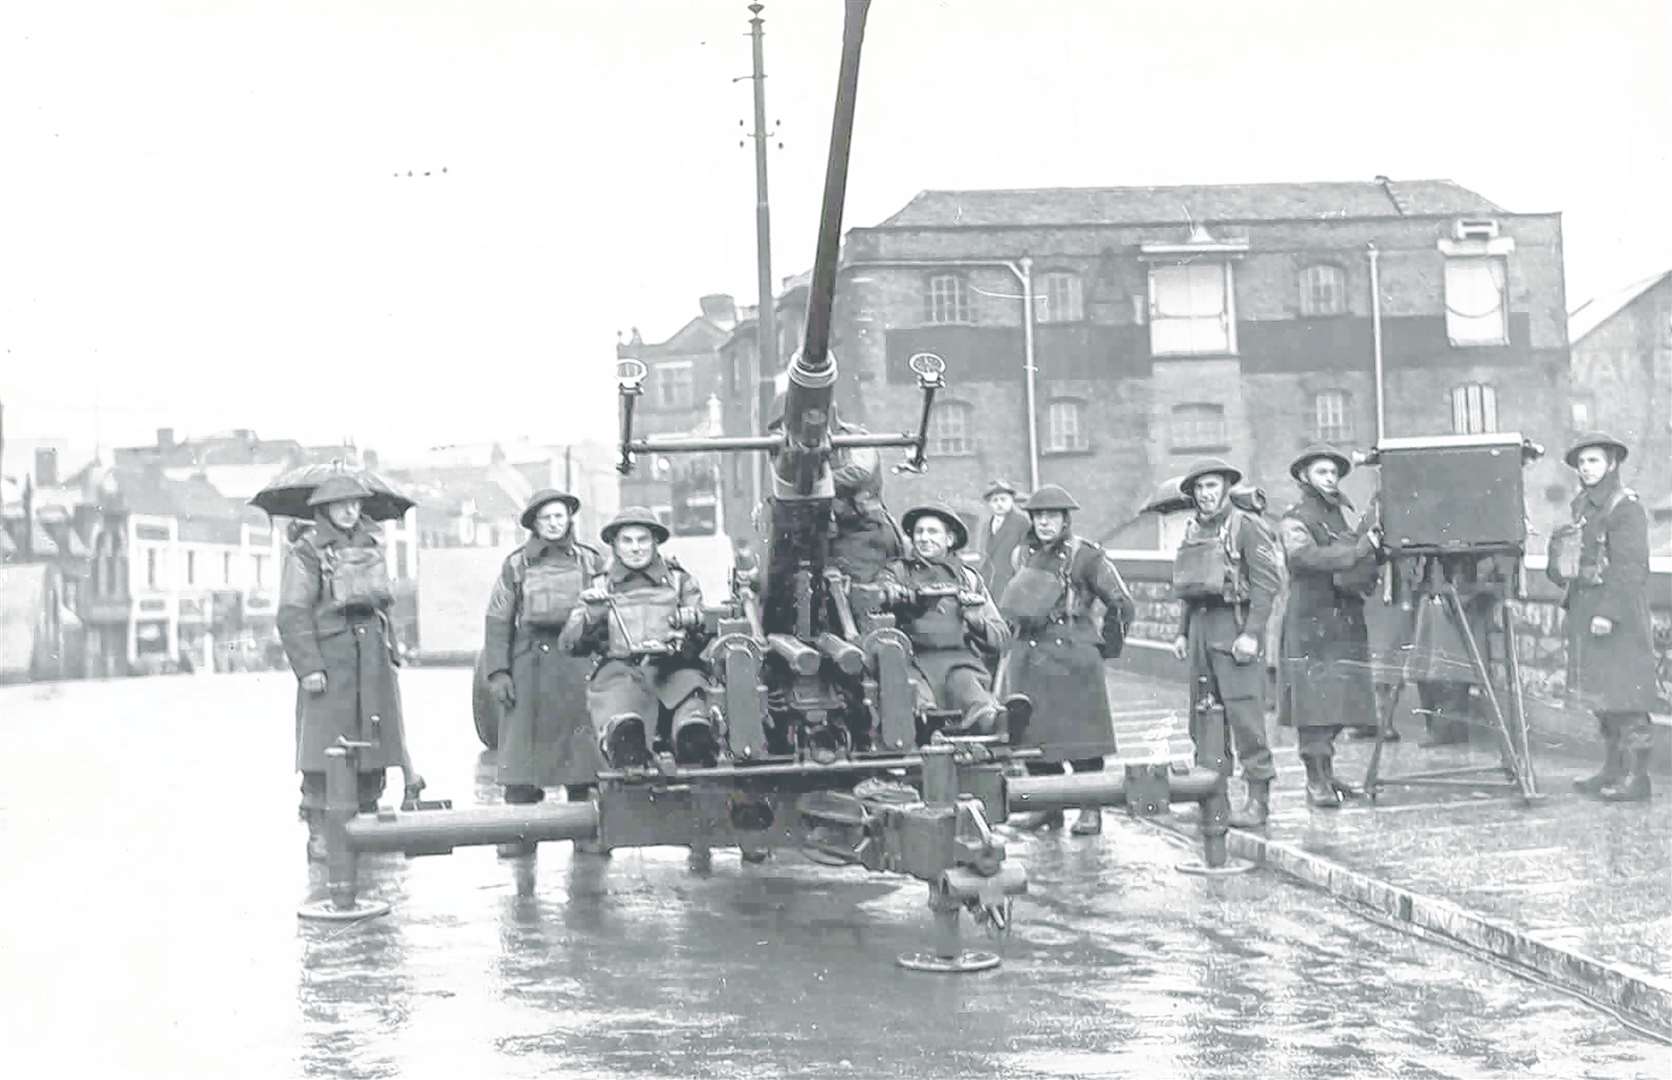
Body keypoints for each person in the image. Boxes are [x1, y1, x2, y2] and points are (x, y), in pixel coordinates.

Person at [277, 475, 411, 862]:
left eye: (355, 503)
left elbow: (384, 606)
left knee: (373, 743)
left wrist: (393, 650)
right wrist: (309, 667)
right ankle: (320, 830)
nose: (350, 510)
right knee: (325, 749)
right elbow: (292, 613)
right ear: (324, 510)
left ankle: (366, 821)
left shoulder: (373, 545)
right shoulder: (307, 552)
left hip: (371, 658)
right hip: (331, 661)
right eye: (341, 504)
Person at [997, 483, 1134, 836]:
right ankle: (1048, 808)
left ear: (1065, 519)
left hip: (1073, 656)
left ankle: (1090, 810)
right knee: (1034, 738)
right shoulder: (1020, 555)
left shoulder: (1086, 556)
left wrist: (1105, 645)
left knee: (1083, 739)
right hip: (1030, 654)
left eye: (1052, 516)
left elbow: (1121, 602)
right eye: (1038, 516)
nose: (1044, 523)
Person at [482, 489, 608, 856]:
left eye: (559, 516)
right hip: (529, 667)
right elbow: (496, 620)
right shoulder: (516, 565)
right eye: (546, 518)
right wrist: (499, 673)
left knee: (582, 750)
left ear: (569, 518)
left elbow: (608, 612)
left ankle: (586, 829)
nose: (554, 524)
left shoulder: (590, 561)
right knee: (523, 751)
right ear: (535, 524)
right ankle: (519, 830)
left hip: (577, 663)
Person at [1168, 459, 1283, 828]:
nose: (1205, 494)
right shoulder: (1193, 530)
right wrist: (1183, 632)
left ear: (1226, 488)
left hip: (1234, 630)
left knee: (1245, 717)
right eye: (1199, 488)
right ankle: (1210, 795)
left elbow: (1267, 584)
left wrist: (1251, 634)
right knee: (1203, 718)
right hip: (1202, 628)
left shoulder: (1246, 527)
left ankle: (1258, 800)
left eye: (1212, 486)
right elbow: (1189, 586)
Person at [559, 506, 717, 770]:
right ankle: (624, 742)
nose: (636, 548)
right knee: (620, 713)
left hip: (674, 669)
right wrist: (592, 617)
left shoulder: (680, 581)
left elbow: (705, 628)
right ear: (615, 546)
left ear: (655, 543)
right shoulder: (599, 586)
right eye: (627, 541)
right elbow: (569, 642)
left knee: (692, 703)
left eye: (643, 540)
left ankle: (693, 738)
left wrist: (691, 629)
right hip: (621, 670)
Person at [1547, 432, 1659, 802]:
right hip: (1587, 610)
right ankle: (1612, 769)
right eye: (1582, 463)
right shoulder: (1584, 506)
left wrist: (1608, 614)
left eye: (1594, 461)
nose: (1586, 468)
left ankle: (1636, 778)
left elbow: (1631, 567)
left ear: (1611, 463)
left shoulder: (1625, 507)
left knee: (1626, 697)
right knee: (1603, 698)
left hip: (1618, 616)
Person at [1277, 444, 1382, 809]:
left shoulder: (1341, 515)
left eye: (1334, 473)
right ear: (1305, 476)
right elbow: (1303, 557)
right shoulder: (1295, 518)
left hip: (1343, 617)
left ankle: (1327, 773)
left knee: (1341, 700)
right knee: (1314, 707)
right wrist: (1358, 551)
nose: (1330, 479)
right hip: (1311, 620)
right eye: (1322, 472)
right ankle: (1315, 780)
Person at [877, 503, 1031, 737]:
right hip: (912, 659)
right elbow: (879, 597)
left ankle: (997, 722)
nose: (924, 538)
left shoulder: (968, 579)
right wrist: (901, 597)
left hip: (958, 660)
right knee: (914, 691)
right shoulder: (897, 572)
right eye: (919, 532)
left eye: (932, 532)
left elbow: (1002, 637)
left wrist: (977, 621)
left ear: (950, 539)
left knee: (968, 687)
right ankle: (927, 724)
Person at [974, 479, 1031, 601]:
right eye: (995, 500)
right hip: (990, 583)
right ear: (989, 503)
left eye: (1003, 499)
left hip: (1012, 584)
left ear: (1011, 501)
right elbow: (983, 554)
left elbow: (1026, 555)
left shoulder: (1021, 522)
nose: (999, 504)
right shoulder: (987, 524)